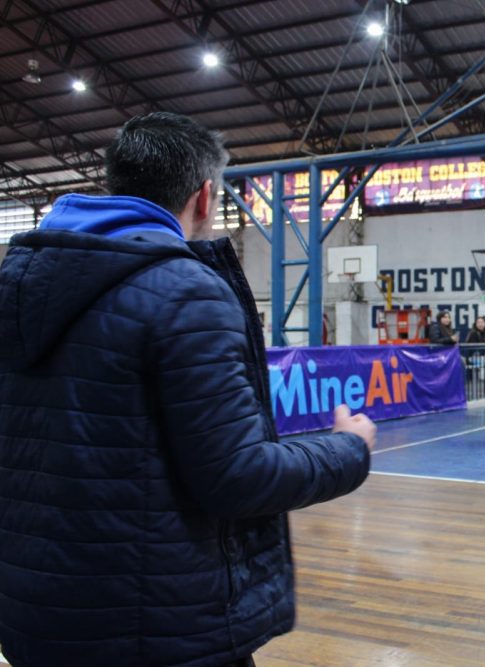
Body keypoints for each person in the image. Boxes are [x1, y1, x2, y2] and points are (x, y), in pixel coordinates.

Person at [0, 112, 376, 667]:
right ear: (204, 197)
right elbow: (237, 476)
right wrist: (350, 449)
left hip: (38, 615)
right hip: (156, 622)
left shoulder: (20, 281)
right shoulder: (185, 291)